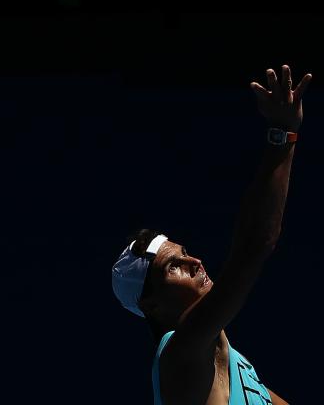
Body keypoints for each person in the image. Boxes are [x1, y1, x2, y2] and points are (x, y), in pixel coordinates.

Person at [113, 64, 311, 405]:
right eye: (173, 266)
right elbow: (255, 244)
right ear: (151, 304)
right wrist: (283, 134)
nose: (194, 261)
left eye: (185, 252)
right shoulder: (178, 355)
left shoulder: (238, 367)